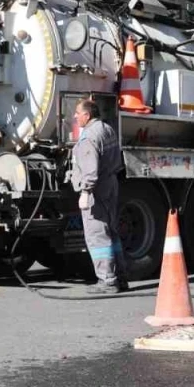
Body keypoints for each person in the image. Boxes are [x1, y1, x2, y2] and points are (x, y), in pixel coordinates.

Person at [70, 98, 128, 294]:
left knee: (97, 235)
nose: (75, 116)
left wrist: (85, 191)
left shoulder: (88, 137)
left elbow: (90, 170)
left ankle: (108, 281)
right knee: (111, 232)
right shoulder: (107, 129)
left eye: (78, 113)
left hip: (96, 190)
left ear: (87, 115)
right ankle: (120, 277)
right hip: (110, 184)